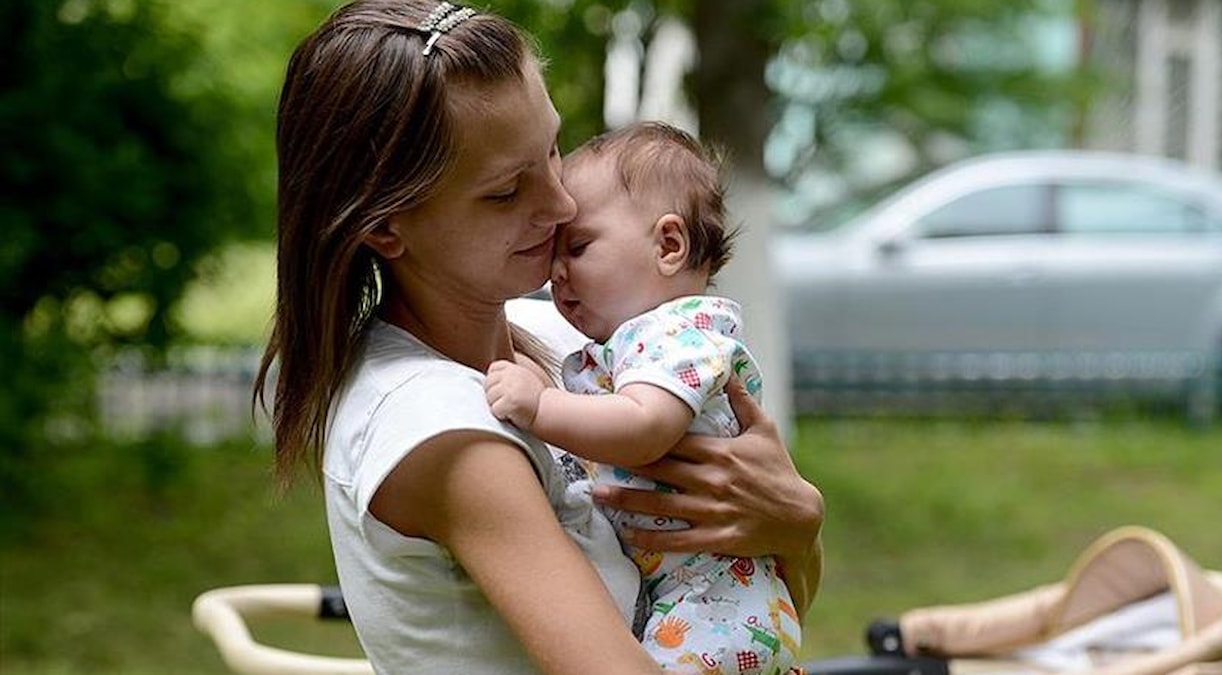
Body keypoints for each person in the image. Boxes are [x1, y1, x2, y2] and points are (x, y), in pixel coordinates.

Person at [254, 2, 824, 673]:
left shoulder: (564, 333)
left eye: (552, 149)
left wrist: (797, 523)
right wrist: (793, 524)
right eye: (505, 191)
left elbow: (767, 608)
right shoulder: (439, 429)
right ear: (385, 227)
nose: (561, 203)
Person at [485, 122, 799, 675]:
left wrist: (539, 407)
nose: (556, 274)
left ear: (669, 246)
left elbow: (643, 427)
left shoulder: (677, 334)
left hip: (713, 608)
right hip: (696, 597)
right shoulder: (633, 341)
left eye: (578, 247)